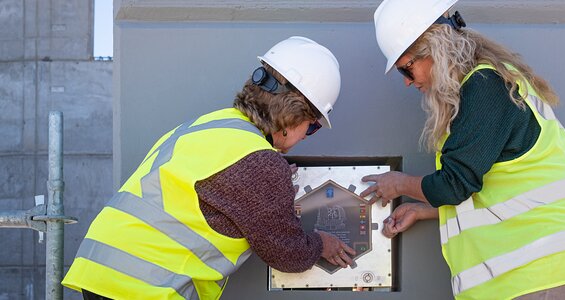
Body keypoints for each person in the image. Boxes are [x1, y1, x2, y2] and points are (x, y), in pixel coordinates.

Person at [62, 36, 356, 300]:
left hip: (105, 272)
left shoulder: (210, 126)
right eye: (312, 127)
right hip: (144, 287)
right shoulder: (260, 163)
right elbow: (287, 253)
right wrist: (321, 244)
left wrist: (273, 182)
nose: (306, 135)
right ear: (295, 114)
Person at [360, 1, 565, 299]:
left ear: (435, 47)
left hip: (540, 265)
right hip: (538, 265)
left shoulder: (484, 87)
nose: (406, 82)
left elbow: (454, 184)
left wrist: (399, 183)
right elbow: (493, 185)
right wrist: (427, 211)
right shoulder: (485, 85)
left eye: (406, 68)